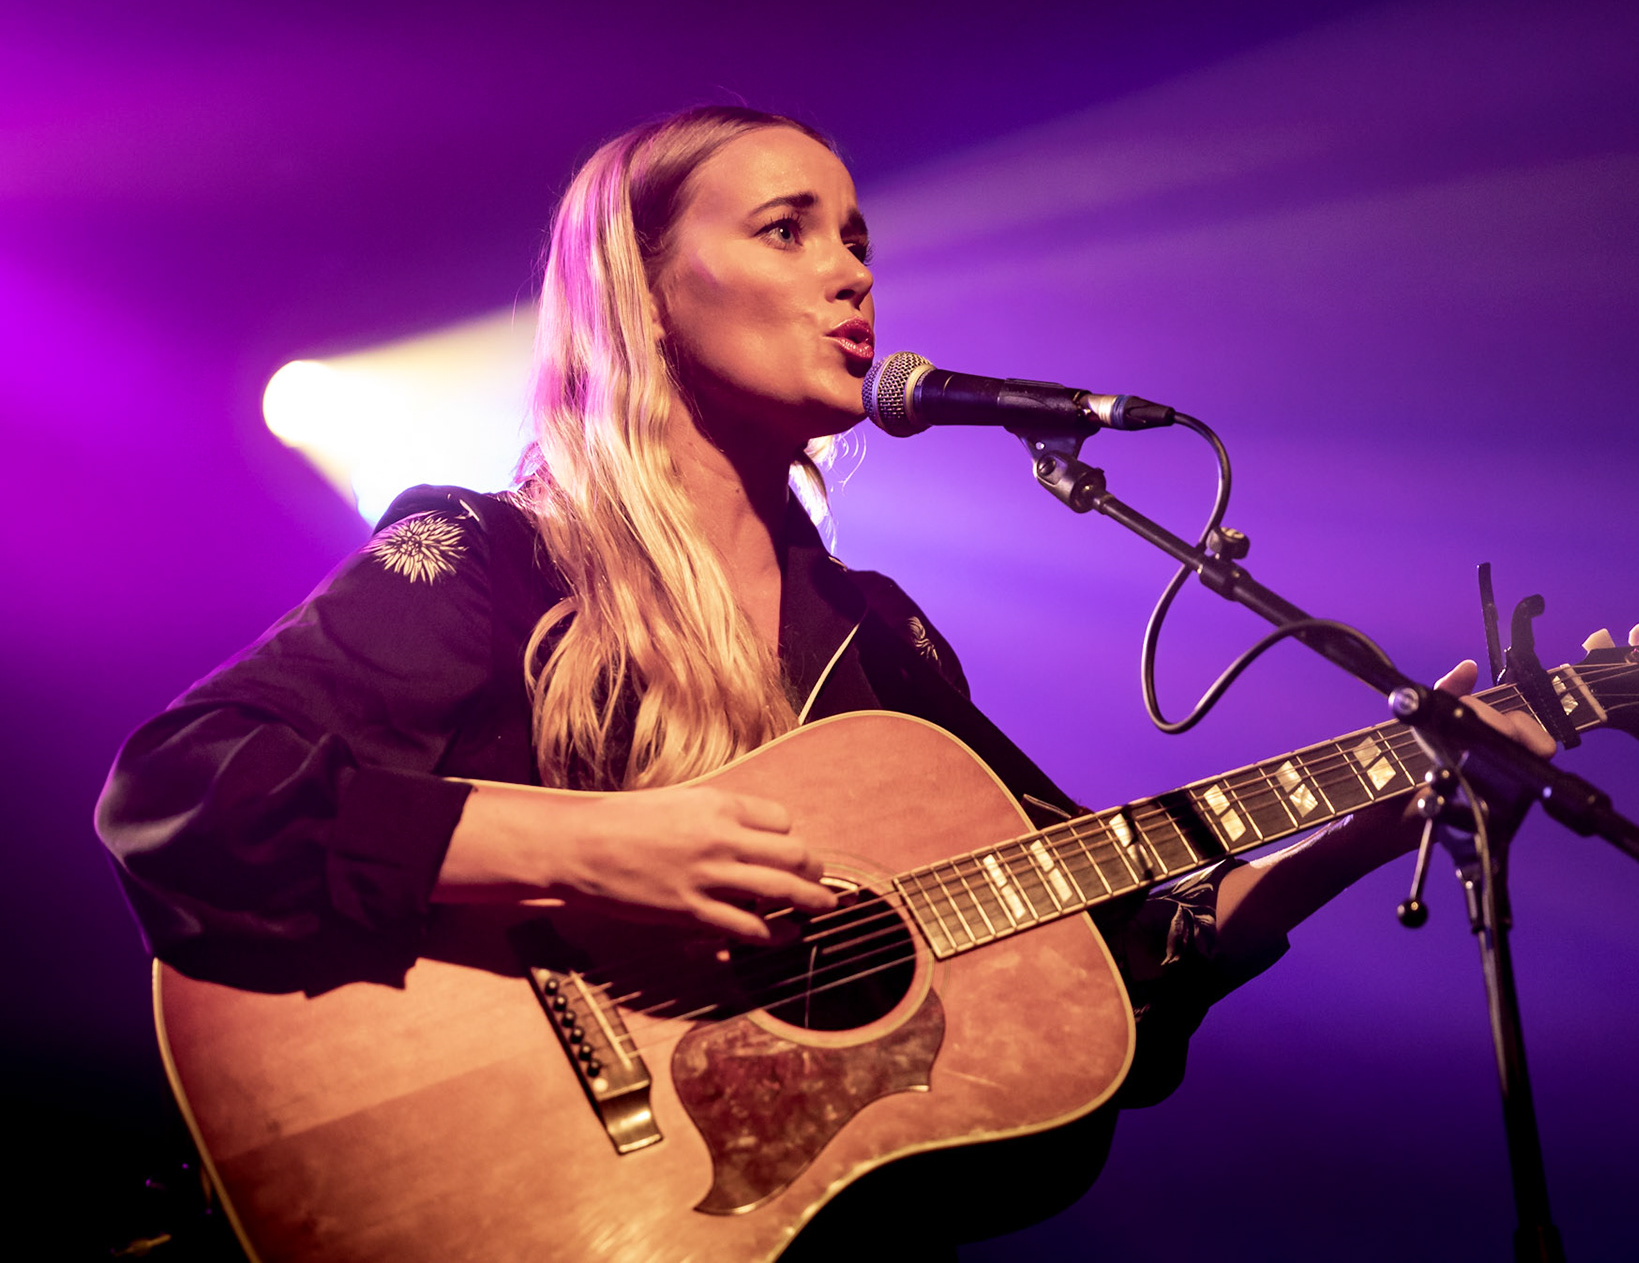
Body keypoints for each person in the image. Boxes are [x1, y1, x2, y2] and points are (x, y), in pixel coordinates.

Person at [97, 106, 1549, 1258]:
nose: (852, 273)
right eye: (787, 230)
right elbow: (185, 796)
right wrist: (600, 848)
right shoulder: (491, 556)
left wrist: (1387, 809)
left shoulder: (881, 642)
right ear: (644, 290)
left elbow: (1113, 951)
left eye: (855, 235)